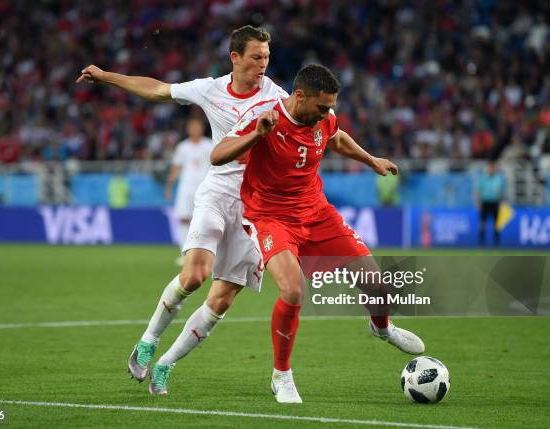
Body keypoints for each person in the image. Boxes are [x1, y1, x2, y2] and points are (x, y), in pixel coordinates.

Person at [77, 25, 289, 395]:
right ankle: (147, 342)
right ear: (235, 57)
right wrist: (107, 76)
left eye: (267, 58)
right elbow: (158, 89)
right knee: (194, 276)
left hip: (256, 208)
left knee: (221, 300)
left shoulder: (276, 97)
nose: (263, 65)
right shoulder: (210, 89)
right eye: (256, 57)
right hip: (217, 192)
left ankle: (166, 364)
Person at [212, 64, 425, 403]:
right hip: (271, 218)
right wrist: (256, 136)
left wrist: (372, 160)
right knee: (293, 290)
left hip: (316, 213)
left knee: (378, 284)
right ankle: (281, 375)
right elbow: (217, 155)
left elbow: (336, 138)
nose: (327, 113)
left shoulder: (323, 119)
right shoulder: (264, 116)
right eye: (322, 107)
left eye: (330, 107)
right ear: (299, 96)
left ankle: (382, 328)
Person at [165, 118, 214, 264]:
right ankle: (185, 254)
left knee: (207, 220)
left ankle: (207, 254)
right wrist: (168, 186)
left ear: (202, 128)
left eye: (197, 126)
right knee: (185, 219)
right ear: (188, 129)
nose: (195, 129)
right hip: (186, 187)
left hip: (205, 187)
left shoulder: (209, 145)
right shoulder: (183, 147)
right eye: (192, 126)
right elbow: (176, 168)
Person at [476, 160, 505, 246]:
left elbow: (501, 191)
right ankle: (481, 243)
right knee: (483, 223)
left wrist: (500, 201)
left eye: (493, 168)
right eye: (490, 168)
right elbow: (478, 191)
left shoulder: (498, 178)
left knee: (496, 224)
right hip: (485, 203)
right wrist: (478, 203)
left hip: (495, 203)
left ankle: (496, 243)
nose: (492, 170)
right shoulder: (483, 178)